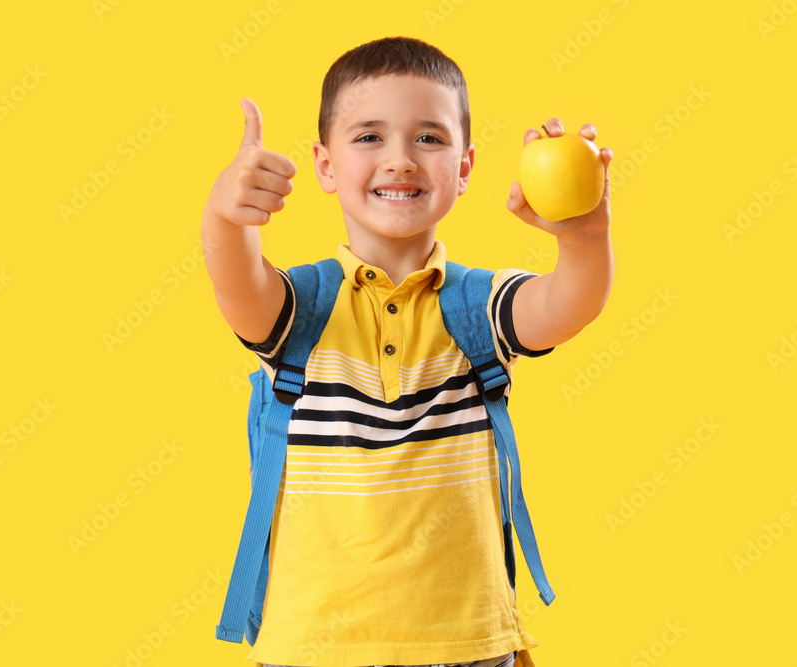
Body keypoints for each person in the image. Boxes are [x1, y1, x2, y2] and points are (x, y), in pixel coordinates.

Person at [201, 35, 614, 667]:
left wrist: (584, 237)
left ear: (465, 167)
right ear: (325, 164)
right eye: (369, 137)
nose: (401, 160)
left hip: (467, 645)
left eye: (429, 137)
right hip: (315, 649)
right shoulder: (298, 310)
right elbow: (236, 278)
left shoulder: (481, 307)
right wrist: (227, 218)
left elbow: (569, 305)